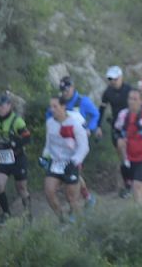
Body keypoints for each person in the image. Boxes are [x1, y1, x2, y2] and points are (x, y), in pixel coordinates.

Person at [41, 97, 89, 223]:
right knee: (49, 192)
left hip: (71, 162)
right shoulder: (50, 122)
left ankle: (82, 225)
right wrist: (44, 156)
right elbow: (48, 143)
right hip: (56, 162)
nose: (52, 109)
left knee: (71, 198)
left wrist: (74, 161)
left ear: (63, 107)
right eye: (51, 107)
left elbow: (84, 147)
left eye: (55, 106)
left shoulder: (75, 124)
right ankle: (63, 220)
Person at [55, 77, 99, 207]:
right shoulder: (60, 102)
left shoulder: (83, 101)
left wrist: (89, 128)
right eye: (63, 90)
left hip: (80, 142)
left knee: (73, 170)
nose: (65, 92)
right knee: (73, 172)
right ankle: (87, 197)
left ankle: (77, 204)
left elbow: (95, 114)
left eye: (67, 89)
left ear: (73, 88)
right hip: (65, 142)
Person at [0, 95, 31, 223]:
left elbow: (27, 138)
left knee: (21, 188)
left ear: (9, 106)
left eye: (2, 106)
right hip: (3, 158)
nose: (0, 108)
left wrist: (13, 144)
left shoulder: (17, 121)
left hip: (18, 158)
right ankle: (6, 213)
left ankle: (28, 214)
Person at [99, 66, 133, 199]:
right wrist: (98, 126)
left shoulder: (129, 90)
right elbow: (101, 109)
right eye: (110, 79)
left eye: (115, 78)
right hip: (116, 127)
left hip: (131, 125)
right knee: (122, 155)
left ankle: (136, 180)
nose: (113, 81)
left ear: (121, 77)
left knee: (132, 153)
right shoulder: (108, 92)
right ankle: (128, 184)